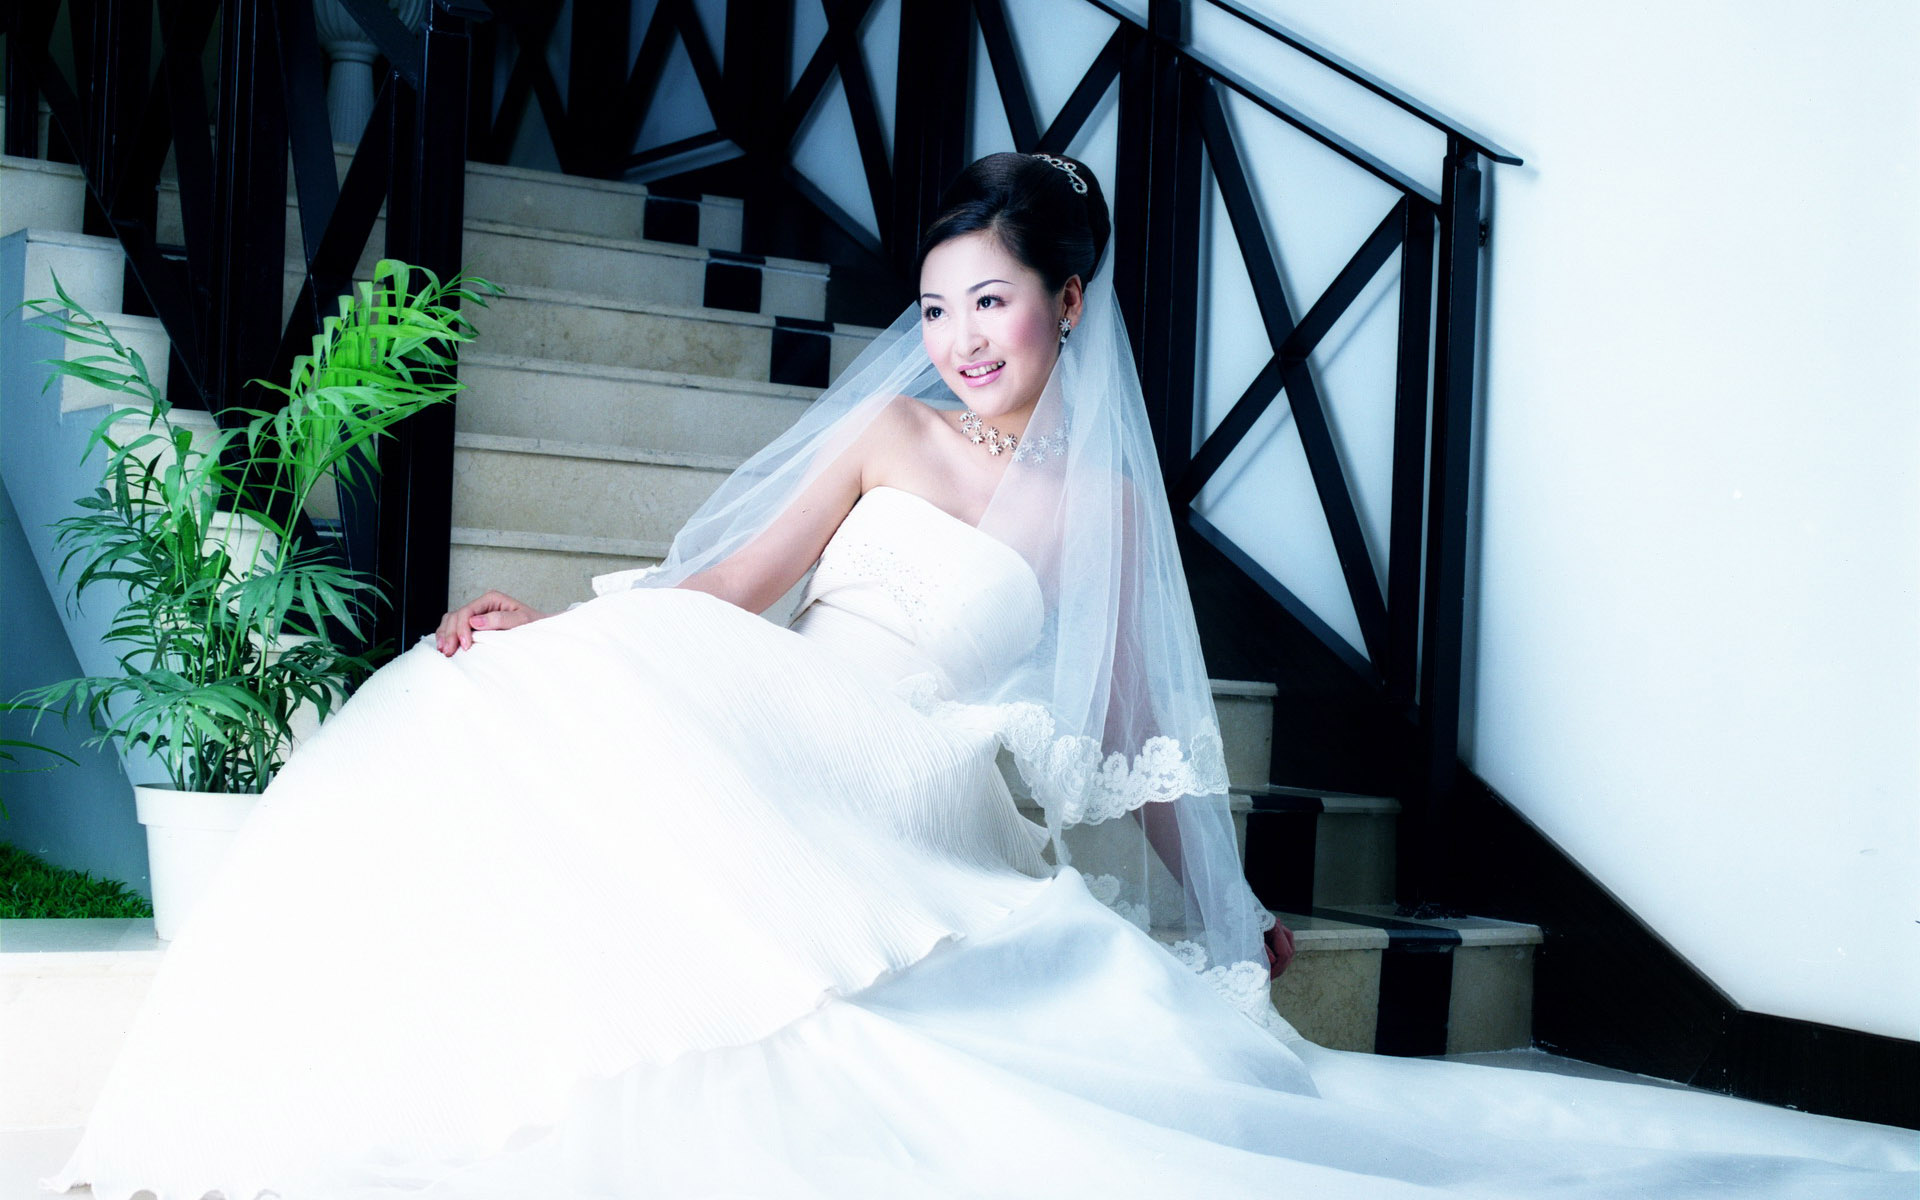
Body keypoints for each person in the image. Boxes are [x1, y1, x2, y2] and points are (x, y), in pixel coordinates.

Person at [47, 154, 1916, 1199]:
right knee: (505, 707)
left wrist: (1226, 905)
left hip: (929, 780)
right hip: (788, 717)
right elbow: (732, 594)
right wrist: (563, 626)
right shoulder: (886, 438)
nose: (955, 340)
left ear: (1066, 305)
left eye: (991, 303)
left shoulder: (1107, 512)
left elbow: (1145, 735)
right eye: (936, 307)